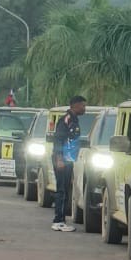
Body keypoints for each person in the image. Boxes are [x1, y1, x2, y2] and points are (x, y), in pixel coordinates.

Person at [51, 95, 87, 232]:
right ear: (75, 105)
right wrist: (59, 159)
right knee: (61, 190)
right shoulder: (66, 120)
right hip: (62, 160)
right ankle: (58, 221)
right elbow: (58, 140)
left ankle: (62, 220)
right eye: (83, 105)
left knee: (66, 190)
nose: (84, 108)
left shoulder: (74, 120)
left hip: (68, 159)